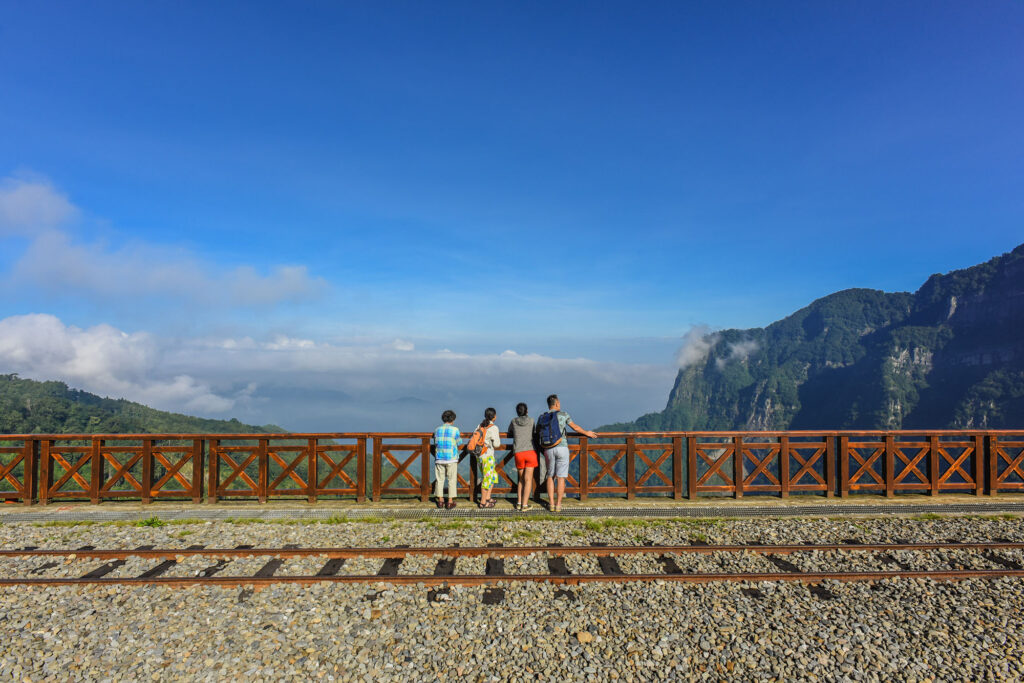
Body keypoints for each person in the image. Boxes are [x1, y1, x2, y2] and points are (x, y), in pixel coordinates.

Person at [538, 394, 597, 512]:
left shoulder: (542, 417)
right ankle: (558, 505)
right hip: (562, 447)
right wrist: (587, 433)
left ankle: (551, 503)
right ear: (557, 403)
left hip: (548, 448)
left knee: (550, 476)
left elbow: (538, 432)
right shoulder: (564, 414)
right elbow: (575, 427)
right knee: (561, 478)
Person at [507, 402, 538, 512]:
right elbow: (534, 432)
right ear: (527, 411)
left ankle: (519, 503)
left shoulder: (513, 421)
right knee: (528, 479)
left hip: (518, 452)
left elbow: (509, 431)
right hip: (530, 451)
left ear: (517, 412)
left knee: (521, 479)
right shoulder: (531, 421)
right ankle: (525, 505)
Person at [431, 409, 463, 509]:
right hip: (451, 458)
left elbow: (436, 442)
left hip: (439, 457)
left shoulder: (437, 430)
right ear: (453, 419)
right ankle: (449, 501)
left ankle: (440, 501)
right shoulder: (455, 430)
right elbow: (459, 442)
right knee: (451, 479)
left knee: (439, 479)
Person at [475, 407, 501, 508]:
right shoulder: (493, 428)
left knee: (492, 476)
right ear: (494, 417)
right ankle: (483, 502)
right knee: (487, 479)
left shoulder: (480, 425)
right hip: (488, 456)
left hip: (479, 456)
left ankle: (487, 497)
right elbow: (497, 444)